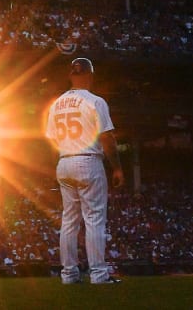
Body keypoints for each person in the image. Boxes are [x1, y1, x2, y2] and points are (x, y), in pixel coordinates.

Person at [44, 57, 124, 285]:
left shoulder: (56, 103)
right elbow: (107, 137)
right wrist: (117, 168)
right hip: (88, 161)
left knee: (69, 221)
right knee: (94, 219)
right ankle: (99, 275)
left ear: (71, 75)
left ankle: (69, 275)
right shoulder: (95, 101)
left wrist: (56, 169)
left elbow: (51, 142)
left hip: (64, 161)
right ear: (90, 75)